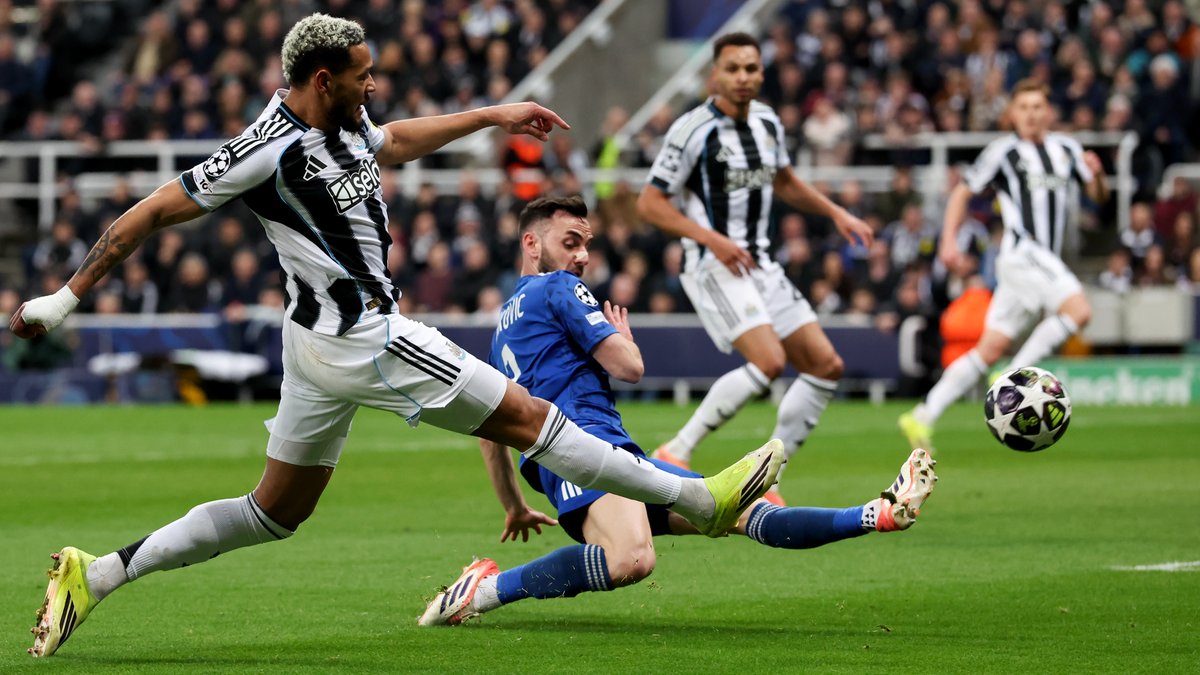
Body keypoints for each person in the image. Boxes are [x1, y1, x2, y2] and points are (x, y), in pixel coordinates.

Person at [10, 15, 784, 658]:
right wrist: (68, 296)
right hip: (364, 336)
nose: (373, 85)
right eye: (364, 75)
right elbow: (150, 212)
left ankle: (97, 574)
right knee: (530, 418)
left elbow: (396, 141)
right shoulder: (265, 149)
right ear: (323, 80)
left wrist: (492, 114)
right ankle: (699, 497)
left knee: (274, 510)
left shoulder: (346, 123)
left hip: (315, 346)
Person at [417, 197, 938, 626]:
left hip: (605, 452)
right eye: (570, 242)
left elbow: (491, 431)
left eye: (586, 245)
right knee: (631, 558)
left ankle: (877, 514)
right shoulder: (558, 287)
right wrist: (622, 339)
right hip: (581, 446)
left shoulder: (501, 329)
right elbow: (629, 368)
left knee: (737, 512)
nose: (582, 257)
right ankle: (486, 590)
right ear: (532, 244)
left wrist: (512, 505)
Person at [635, 33, 874, 503]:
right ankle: (677, 449)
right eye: (733, 68)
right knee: (769, 361)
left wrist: (836, 213)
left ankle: (768, 483)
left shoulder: (767, 122)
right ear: (715, 75)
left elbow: (785, 181)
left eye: (750, 68)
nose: (742, 77)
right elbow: (649, 203)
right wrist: (711, 238)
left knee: (826, 365)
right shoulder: (692, 129)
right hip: (712, 263)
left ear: (762, 73)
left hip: (760, 263)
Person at [899, 79, 1109, 451]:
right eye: (1023, 107)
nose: (1031, 114)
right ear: (1012, 113)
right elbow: (963, 191)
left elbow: (1098, 195)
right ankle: (1013, 377)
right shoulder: (1003, 152)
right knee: (1079, 311)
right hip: (1021, 251)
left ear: (1048, 112)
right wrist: (948, 240)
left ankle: (922, 415)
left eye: (1037, 106)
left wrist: (1099, 175)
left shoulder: (1066, 149)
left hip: (1040, 260)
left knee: (990, 347)